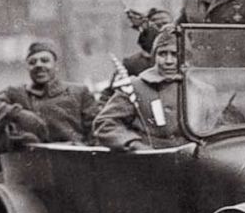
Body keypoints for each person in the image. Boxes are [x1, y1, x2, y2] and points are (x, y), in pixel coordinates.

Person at [93, 25, 221, 150]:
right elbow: (105, 124)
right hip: (148, 162)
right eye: (162, 54)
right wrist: (133, 143)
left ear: (186, 57)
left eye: (175, 54)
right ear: (154, 56)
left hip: (192, 163)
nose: (168, 61)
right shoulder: (135, 87)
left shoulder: (202, 90)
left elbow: (217, 129)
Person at [0, 41, 99, 146]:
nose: (38, 65)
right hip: (33, 167)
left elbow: (96, 131)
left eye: (45, 60)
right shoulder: (16, 93)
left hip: (73, 163)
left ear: (56, 65)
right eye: (32, 62)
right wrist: (18, 114)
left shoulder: (79, 92)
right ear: (27, 67)